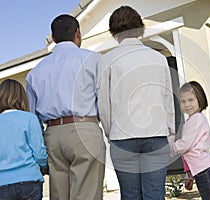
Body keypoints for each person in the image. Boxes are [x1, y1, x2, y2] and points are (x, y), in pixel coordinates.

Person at [98, 6, 175, 200]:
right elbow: (167, 100)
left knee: (130, 196)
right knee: (155, 194)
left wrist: (110, 132)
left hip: (122, 136)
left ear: (113, 31)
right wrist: (170, 132)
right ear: (140, 27)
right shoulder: (158, 58)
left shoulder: (106, 60)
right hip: (157, 134)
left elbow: (104, 105)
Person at [26, 14, 106, 200]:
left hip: (52, 134)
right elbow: (104, 101)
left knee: (59, 195)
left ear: (53, 38)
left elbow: (32, 116)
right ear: (78, 33)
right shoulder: (94, 59)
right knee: (87, 194)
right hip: (85, 129)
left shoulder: (35, 72)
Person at [169, 81, 210, 200]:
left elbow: (185, 145)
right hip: (203, 168)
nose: (187, 104)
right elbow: (190, 152)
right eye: (183, 101)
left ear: (199, 99)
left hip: (205, 169)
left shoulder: (196, 119)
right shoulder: (192, 120)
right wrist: (189, 175)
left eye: (191, 100)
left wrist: (170, 148)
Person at [0, 79, 48, 200]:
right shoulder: (30, 118)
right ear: (22, 97)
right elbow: (39, 153)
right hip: (29, 181)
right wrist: (44, 166)